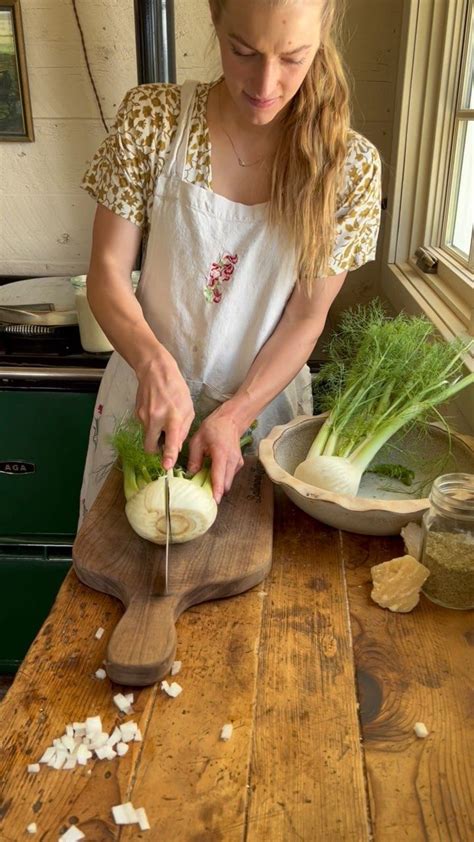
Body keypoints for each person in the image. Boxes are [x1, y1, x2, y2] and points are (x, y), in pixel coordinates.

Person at [78, 0, 381, 523]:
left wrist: (237, 411)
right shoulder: (154, 120)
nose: (265, 84)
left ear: (323, 31)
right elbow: (107, 275)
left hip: (262, 418)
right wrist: (154, 364)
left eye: (293, 57)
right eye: (243, 51)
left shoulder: (348, 168)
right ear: (215, 20)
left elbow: (305, 319)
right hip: (142, 407)